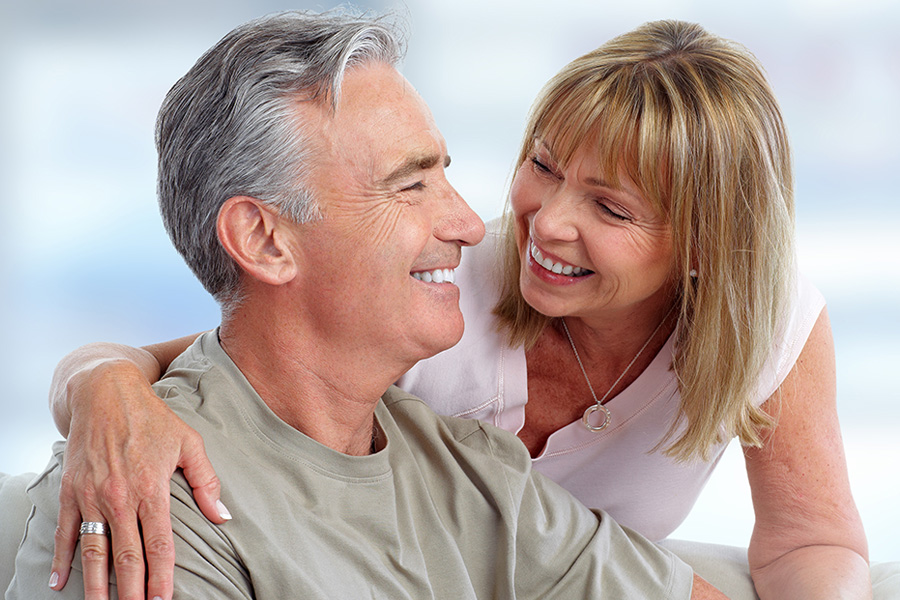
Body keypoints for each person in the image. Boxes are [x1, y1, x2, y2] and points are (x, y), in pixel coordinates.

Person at [42, 17, 872, 600]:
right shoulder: (433, 294)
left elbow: (808, 540)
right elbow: (240, 347)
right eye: (541, 165)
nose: (526, 223)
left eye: (611, 209)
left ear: (703, 248)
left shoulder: (480, 482)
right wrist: (102, 385)